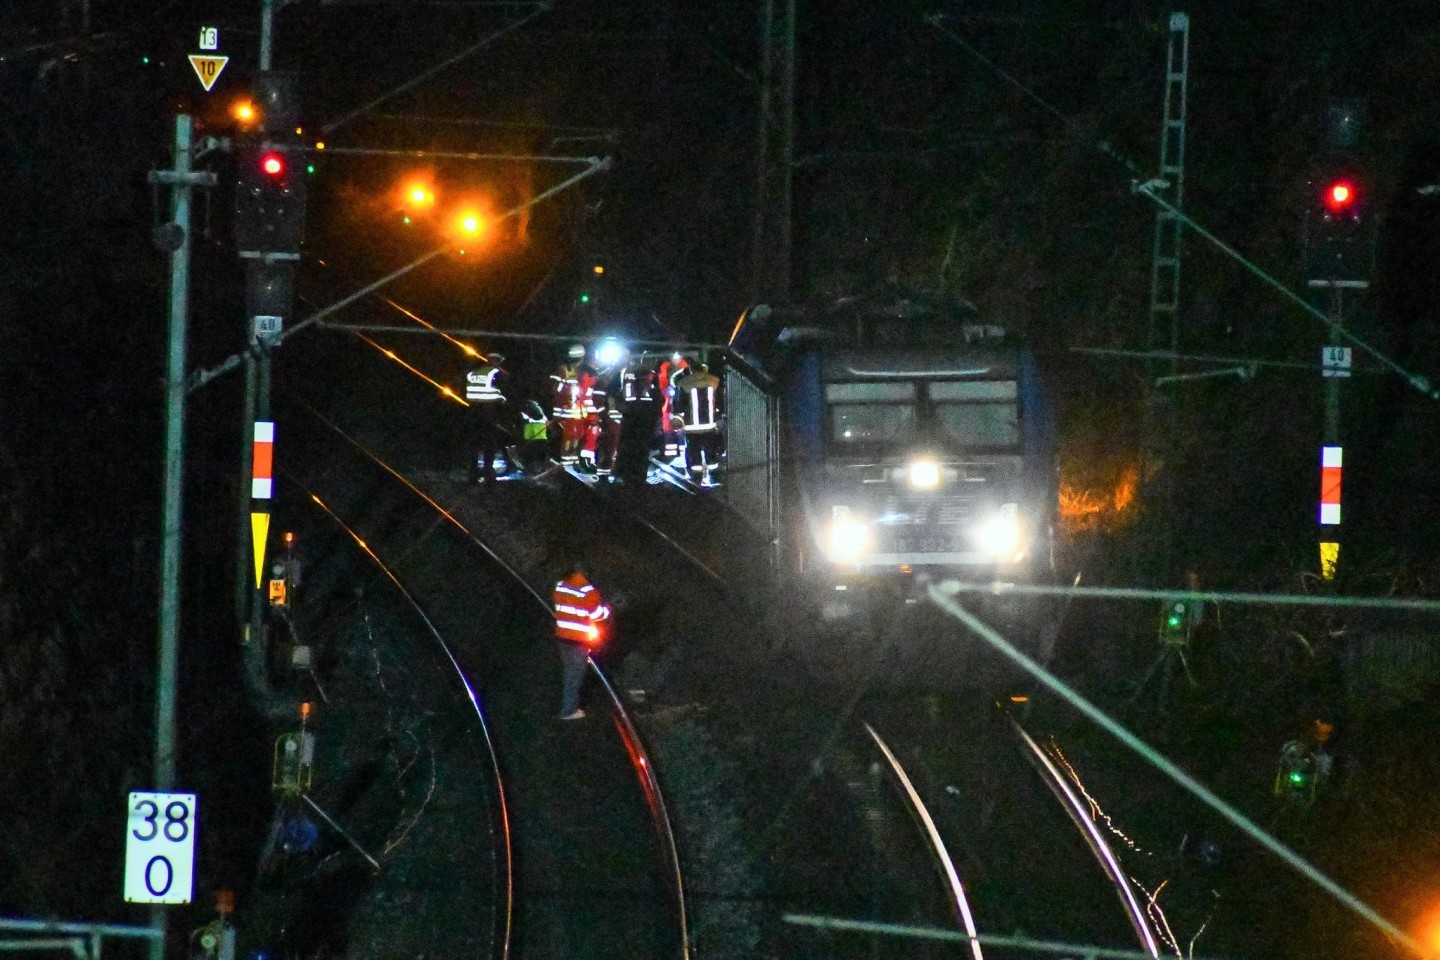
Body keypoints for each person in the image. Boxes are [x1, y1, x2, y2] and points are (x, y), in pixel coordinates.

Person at [552, 561, 611, 720]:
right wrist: (607, 611)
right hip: (578, 640)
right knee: (575, 675)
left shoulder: (561, 584)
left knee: (568, 672)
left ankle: (568, 706)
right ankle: (569, 711)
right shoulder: (587, 590)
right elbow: (596, 615)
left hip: (562, 637)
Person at [673, 362, 722, 486]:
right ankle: (714, 477)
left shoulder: (684, 383)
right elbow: (720, 402)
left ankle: (696, 478)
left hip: (691, 428)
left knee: (694, 453)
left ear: (691, 370)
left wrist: (678, 419)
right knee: (711, 451)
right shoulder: (714, 381)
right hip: (710, 426)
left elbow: (679, 405)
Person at [465, 353, 508, 482]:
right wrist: (502, 400)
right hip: (488, 412)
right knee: (490, 442)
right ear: (496, 362)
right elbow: (503, 389)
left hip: (473, 411)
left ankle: (473, 472)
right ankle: (488, 470)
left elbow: (466, 390)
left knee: (474, 442)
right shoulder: (496, 373)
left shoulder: (473, 373)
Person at [550, 344, 586, 465]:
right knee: (567, 437)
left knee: (576, 436)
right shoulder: (563, 370)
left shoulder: (578, 372)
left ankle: (573, 460)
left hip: (575, 411)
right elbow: (555, 389)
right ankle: (565, 461)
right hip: (565, 411)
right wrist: (567, 390)